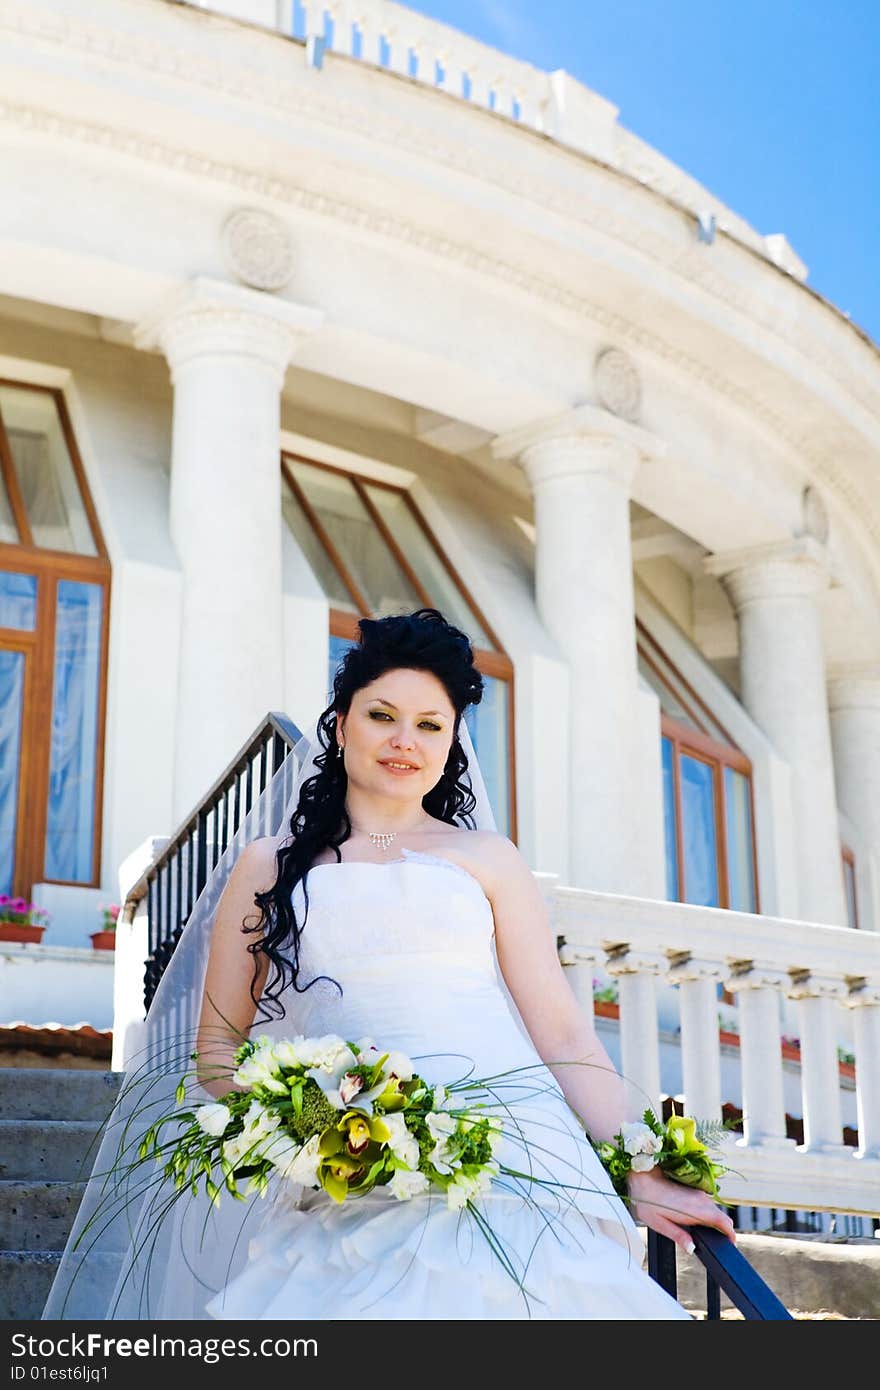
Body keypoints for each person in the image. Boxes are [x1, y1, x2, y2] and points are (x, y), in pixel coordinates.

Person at [44, 608, 734, 1321]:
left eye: (431, 725)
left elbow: (562, 1033)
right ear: (341, 726)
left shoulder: (488, 859)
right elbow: (219, 1049)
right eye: (382, 716)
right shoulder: (266, 867)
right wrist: (312, 1122)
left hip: (515, 1151)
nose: (406, 741)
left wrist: (641, 1168)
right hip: (354, 1159)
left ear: (451, 744)